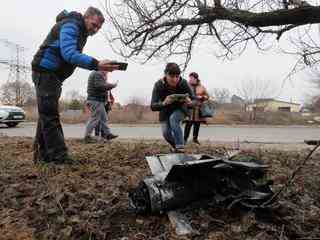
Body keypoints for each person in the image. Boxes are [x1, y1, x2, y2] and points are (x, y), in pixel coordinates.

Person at [31, 7, 120, 164]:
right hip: (45, 71)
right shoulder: (71, 26)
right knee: (50, 116)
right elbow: (69, 54)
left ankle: (41, 156)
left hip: (54, 76)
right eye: (94, 25)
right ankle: (60, 157)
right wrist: (97, 64)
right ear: (86, 18)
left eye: (99, 27)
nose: (96, 29)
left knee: (46, 115)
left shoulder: (81, 32)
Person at [151, 63, 195, 153]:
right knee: (166, 133)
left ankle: (180, 147)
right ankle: (176, 147)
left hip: (181, 109)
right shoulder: (158, 85)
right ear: (165, 74)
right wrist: (163, 103)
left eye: (177, 76)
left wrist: (190, 102)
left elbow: (195, 101)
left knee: (173, 119)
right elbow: (153, 106)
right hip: (165, 111)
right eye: (171, 76)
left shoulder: (183, 83)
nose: (175, 79)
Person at [84, 70, 118, 143]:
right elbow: (100, 86)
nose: (108, 72)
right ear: (104, 68)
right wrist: (112, 86)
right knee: (95, 118)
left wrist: (109, 85)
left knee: (104, 118)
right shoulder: (97, 73)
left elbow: (102, 85)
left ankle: (107, 134)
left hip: (98, 101)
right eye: (108, 70)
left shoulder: (98, 74)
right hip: (95, 100)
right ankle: (87, 136)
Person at [184, 72, 210, 145]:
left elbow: (207, 96)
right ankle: (184, 139)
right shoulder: (187, 86)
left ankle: (195, 139)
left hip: (198, 109)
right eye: (190, 78)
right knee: (188, 124)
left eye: (192, 78)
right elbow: (183, 95)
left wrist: (202, 97)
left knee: (197, 125)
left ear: (196, 79)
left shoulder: (201, 87)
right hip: (189, 109)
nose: (190, 79)